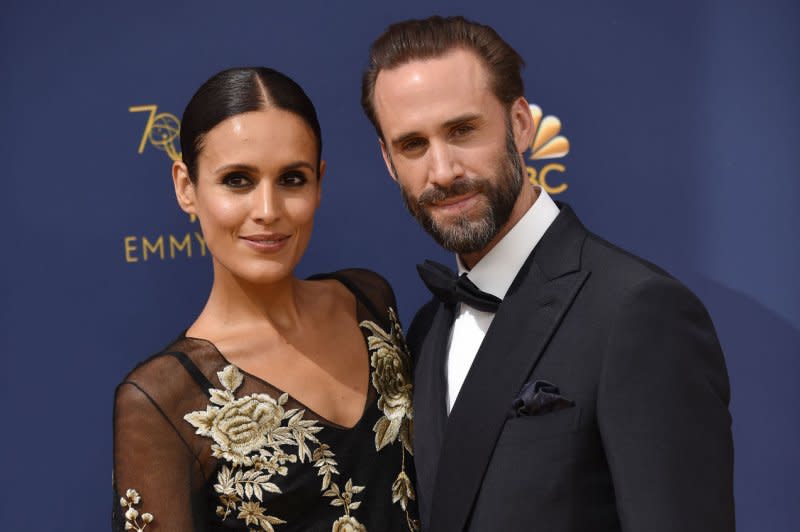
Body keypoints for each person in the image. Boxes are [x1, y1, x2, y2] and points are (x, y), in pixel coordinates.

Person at [361, 16, 734, 532]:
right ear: (387, 161)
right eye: (413, 145)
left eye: (462, 130)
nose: (442, 170)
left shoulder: (638, 311)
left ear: (519, 124)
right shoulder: (424, 332)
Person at [113, 67, 418, 532]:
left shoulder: (369, 300)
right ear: (185, 187)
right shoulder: (161, 399)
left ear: (319, 182)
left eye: (292, 179)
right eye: (238, 180)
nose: (268, 211)